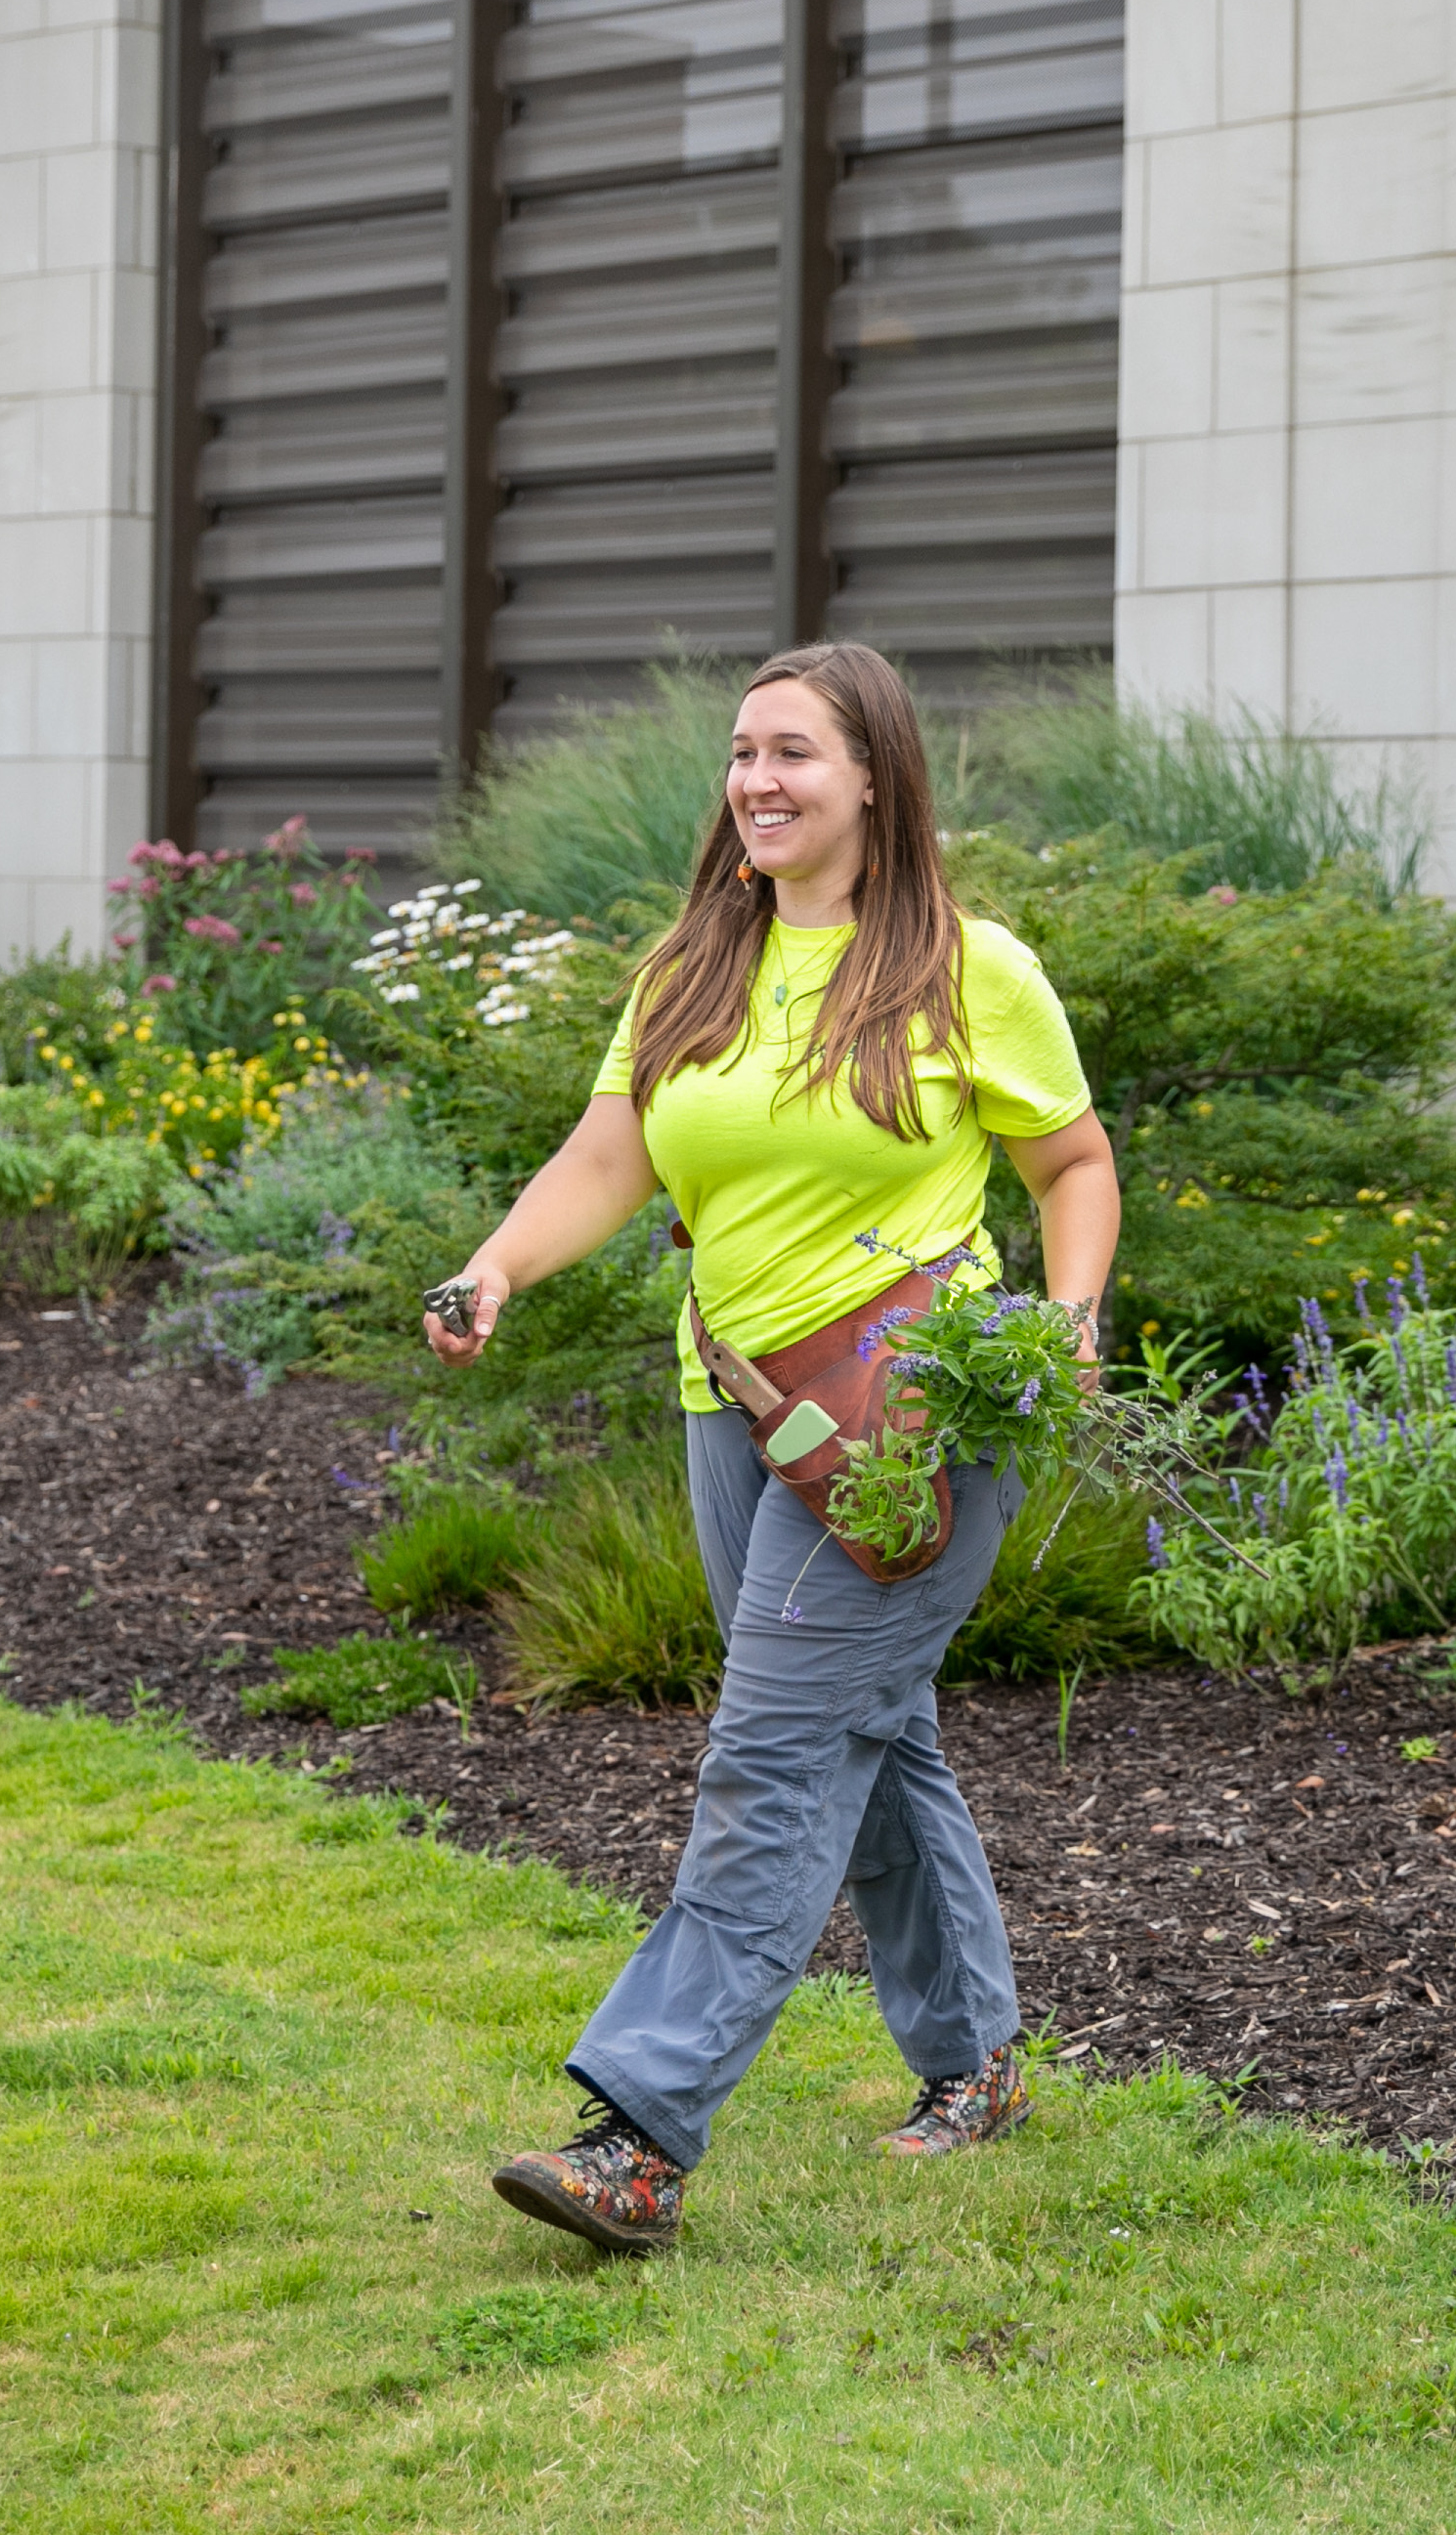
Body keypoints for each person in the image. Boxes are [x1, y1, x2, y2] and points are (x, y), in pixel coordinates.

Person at [422, 640, 1118, 2256]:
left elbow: (1073, 1164)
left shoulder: (967, 969)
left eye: (793, 752)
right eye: (742, 754)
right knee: (869, 1737)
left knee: (775, 1756)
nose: (757, 781)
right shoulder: (693, 967)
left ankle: (640, 2136)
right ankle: (977, 2065)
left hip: (914, 1421)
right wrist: (498, 1266)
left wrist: (1073, 1318)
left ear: (874, 774)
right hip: (734, 1409)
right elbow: (611, 1155)